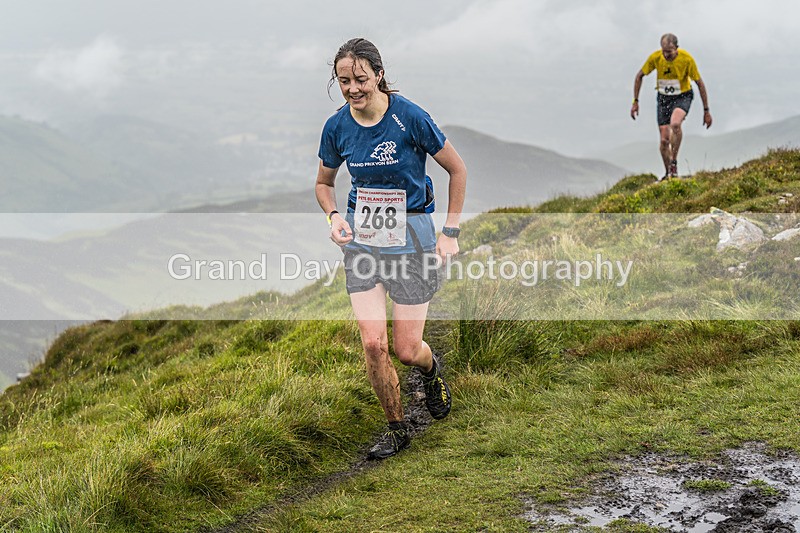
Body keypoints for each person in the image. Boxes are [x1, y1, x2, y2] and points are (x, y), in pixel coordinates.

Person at [315, 38, 467, 460]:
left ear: (378, 75)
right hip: (363, 243)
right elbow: (324, 184)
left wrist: (450, 231)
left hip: (413, 240)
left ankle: (430, 369)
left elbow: (457, 169)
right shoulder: (337, 127)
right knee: (373, 344)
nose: (352, 89)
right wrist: (334, 217)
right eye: (344, 81)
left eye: (360, 79)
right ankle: (397, 429)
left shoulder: (410, 117)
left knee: (405, 348)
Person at [631, 33, 712, 180]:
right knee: (663, 141)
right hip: (663, 98)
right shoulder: (656, 58)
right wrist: (635, 101)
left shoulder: (686, 59)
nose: (666, 54)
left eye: (669, 51)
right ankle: (669, 173)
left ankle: (674, 161)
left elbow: (700, 84)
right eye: (663, 51)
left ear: (676, 48)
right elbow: (639, 76)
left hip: (683, 96)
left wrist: (706, 111)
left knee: (675, 124)